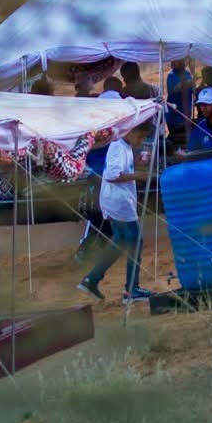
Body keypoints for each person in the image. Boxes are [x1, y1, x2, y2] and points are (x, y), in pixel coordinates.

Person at [76, 122, 154, 304]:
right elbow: (112, 175)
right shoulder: (118, 146)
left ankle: (92, 279)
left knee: (120, 241)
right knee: (135, 240)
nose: (140, 141)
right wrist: (138, 176)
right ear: (131, 131)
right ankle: (132, 289)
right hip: (119, 201)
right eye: (140, 136)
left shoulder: (124, 146)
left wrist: (136, 166)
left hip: (115, 200)